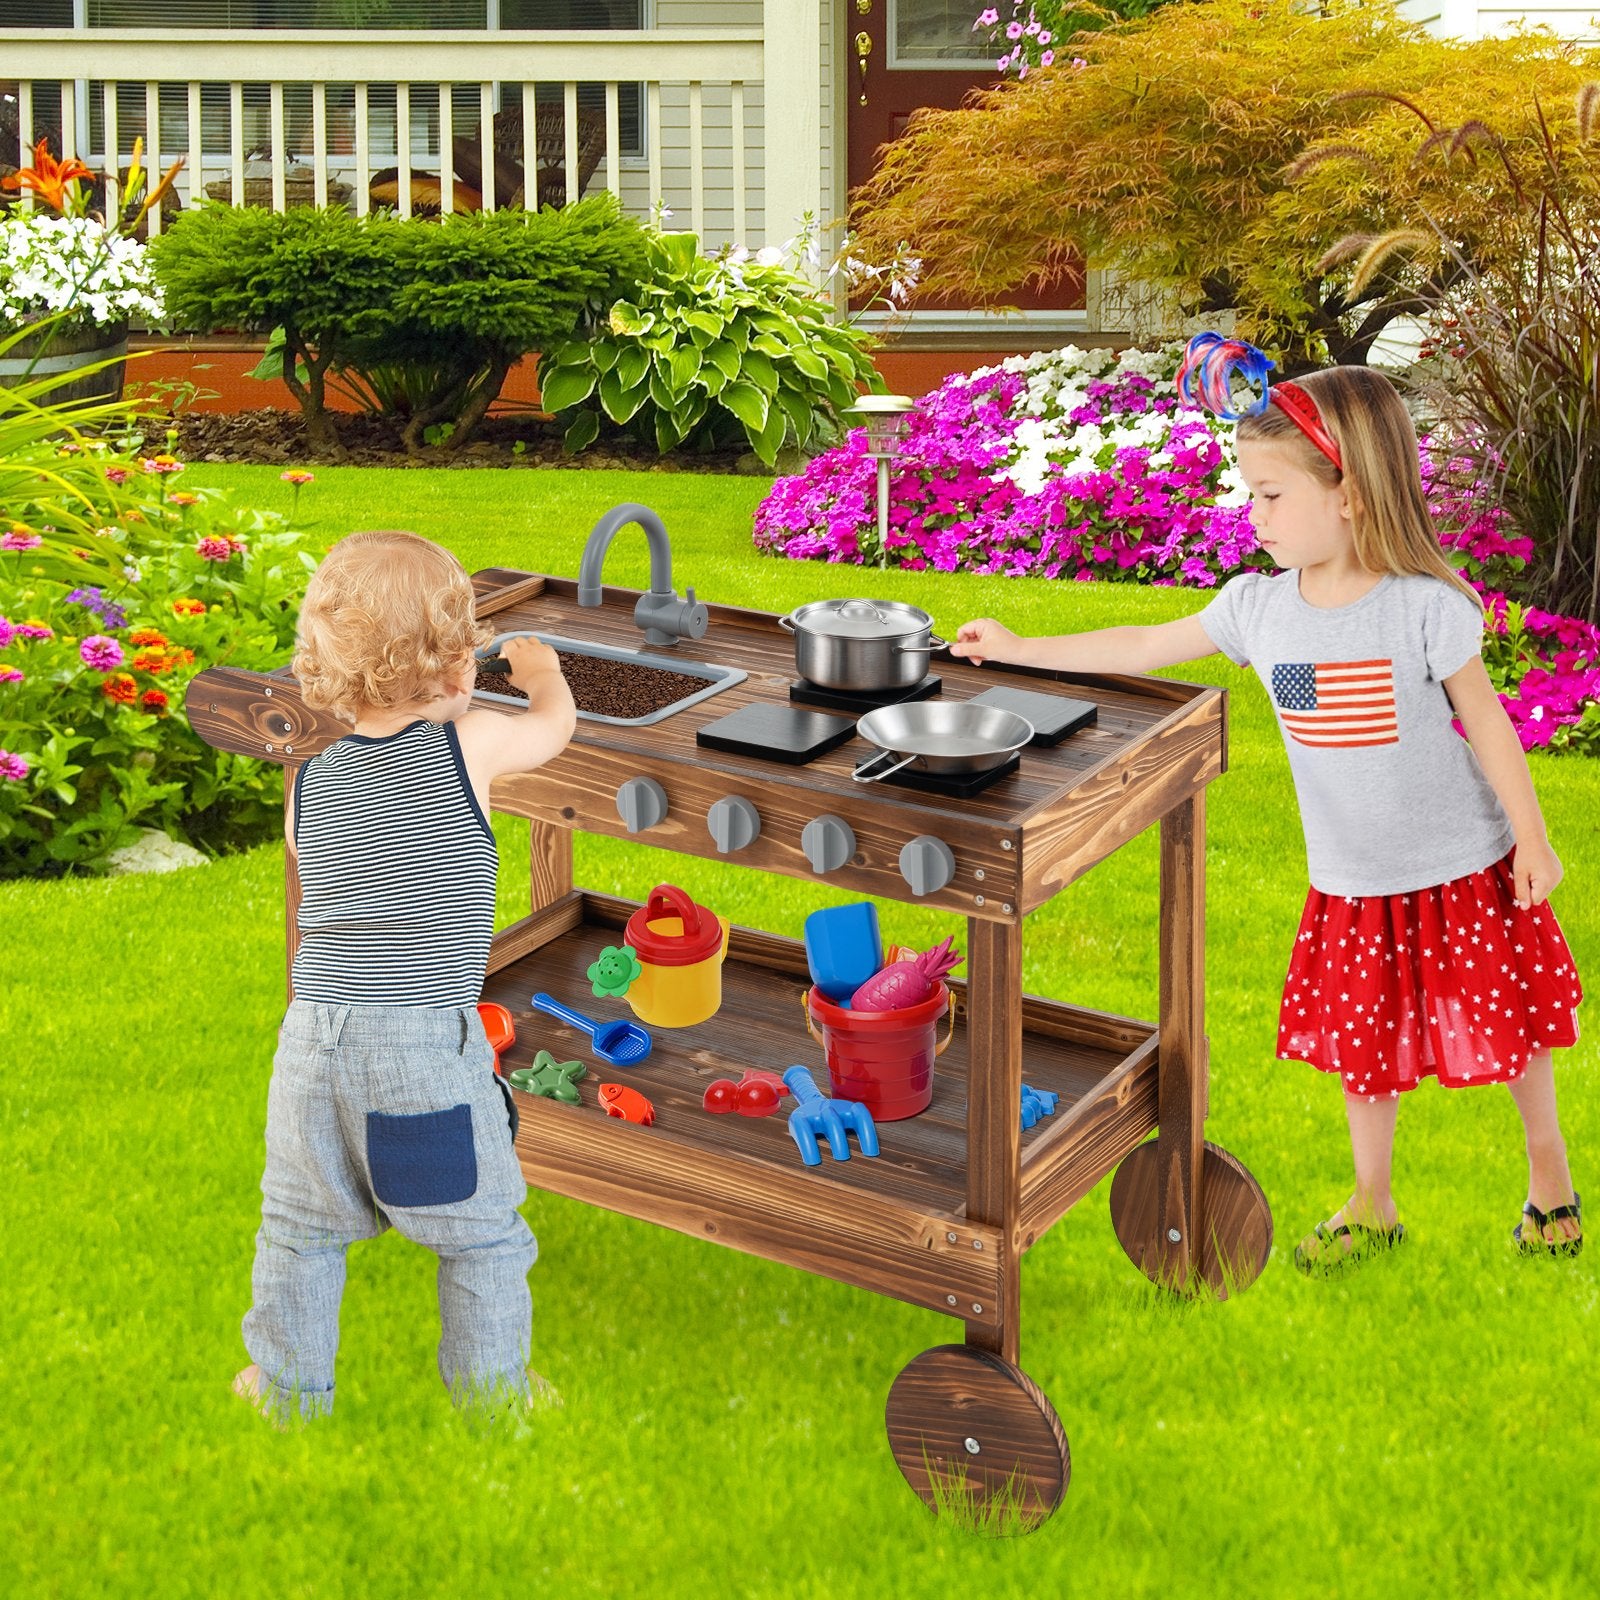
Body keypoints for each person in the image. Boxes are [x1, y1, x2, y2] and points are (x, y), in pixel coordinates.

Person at [952, 344, 1584, 1274]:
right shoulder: (1260, 609)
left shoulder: (1421, 607)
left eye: (1273, 495)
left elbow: (1488, 729)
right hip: (1353, 878)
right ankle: (1373, 1202)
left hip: (1463, 862)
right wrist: (1023, 645)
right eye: (1250, 492)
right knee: (1364, 1052)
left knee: (1513, 1027)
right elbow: (1143, 642)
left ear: (1352, 495)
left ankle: (1550, 1180)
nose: (1256, 515)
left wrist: (1531, 841)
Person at [233, 530, 577, 1422]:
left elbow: (314, 873)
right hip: (421, 1047)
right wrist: (540, 669)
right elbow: (557, 729)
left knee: (300, 1231)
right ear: (460, 666)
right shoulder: (472, 744)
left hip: (311, 1041)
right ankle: (495, 1400)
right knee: (479, 1238)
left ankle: (285, 1392)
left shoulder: (309, 774)